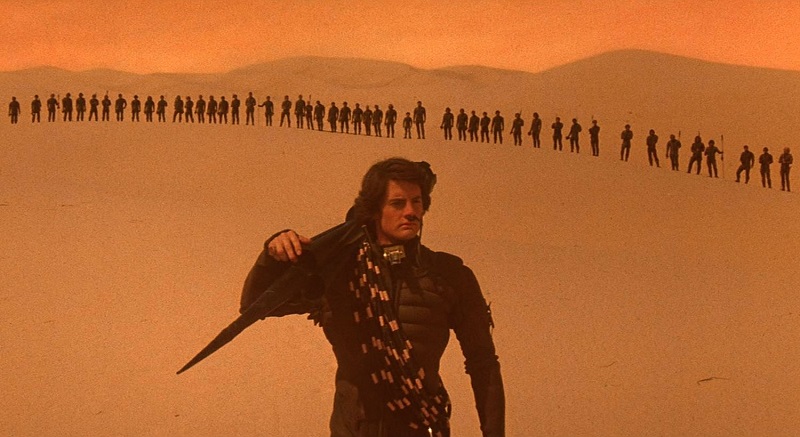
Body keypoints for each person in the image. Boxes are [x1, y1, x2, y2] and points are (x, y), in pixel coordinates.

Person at [247, 158, 505, 437]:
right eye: (398, 203)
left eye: (417, 202)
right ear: (374, 210)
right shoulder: (338, 271)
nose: (411, 212)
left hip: (421, 426)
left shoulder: (449, 275)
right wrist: (271, 257)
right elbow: (253, 306)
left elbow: (483, 363)